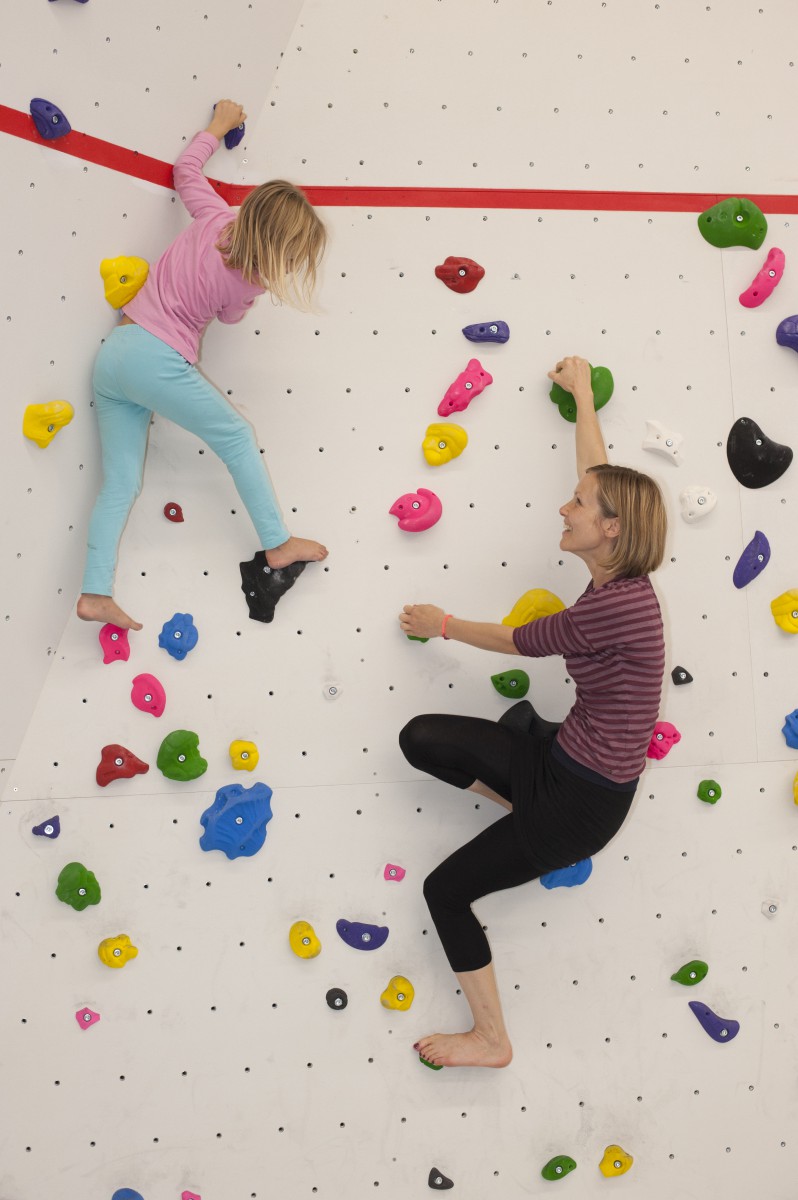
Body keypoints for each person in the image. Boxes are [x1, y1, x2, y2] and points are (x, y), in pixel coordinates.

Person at [398, 356, 667, 1069]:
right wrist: (582, 396)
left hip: (581, 805)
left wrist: (442, 623)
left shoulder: (614, 609)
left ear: (610, 530)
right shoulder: (620, 571)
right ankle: (523, 818)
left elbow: (519, 641)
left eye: (579, 506)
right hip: (559, 764)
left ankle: (491, 1040)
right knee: (422, 738)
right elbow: (601, 476)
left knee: (444, 890)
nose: (565, 507)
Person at [77, 100, 328, 632]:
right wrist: (246, 292)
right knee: (236, 435)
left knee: (121, 481)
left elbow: (185, 172)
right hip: (155, 357)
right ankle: (277, 543)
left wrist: (215, 128)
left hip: (114, 354)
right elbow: (230, 317)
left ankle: (96, 592)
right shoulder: (250, 279)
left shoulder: (216, 214)